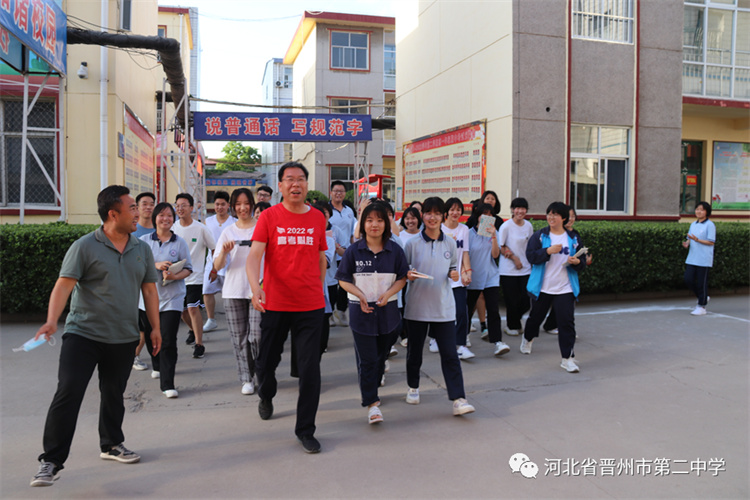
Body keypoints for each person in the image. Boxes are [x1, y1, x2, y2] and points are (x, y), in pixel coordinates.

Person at [30, 185, 162, 487]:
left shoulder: (141, 248)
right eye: (132, 207)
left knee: (114, 393)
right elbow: (64, 285)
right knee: (69, 391)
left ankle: (112, 444)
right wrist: (51, 321)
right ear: (113, 214)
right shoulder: (85, 246)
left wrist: (155, 328)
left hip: (124, 335)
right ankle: (51, 460)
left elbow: (149, 290)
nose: (138, 212)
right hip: (84, 334)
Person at [246, 161, 328, 454]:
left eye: (301, 179)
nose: (296, 184)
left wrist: (318, 287)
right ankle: (266, 394)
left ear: (307, 184)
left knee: (310, 369)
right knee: (266, 362)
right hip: (276, 304)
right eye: (290, 179)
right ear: (280, 185)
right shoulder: (269, 216)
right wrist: (256, 288)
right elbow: (254, 256)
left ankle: (305, 429)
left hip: (310, 306)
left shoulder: (317, 217)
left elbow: (320, 256)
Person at [336, 201, 408, 424]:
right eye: (369, 220)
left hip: (388, 314)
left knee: (379, 358)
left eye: (379, 220)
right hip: (361, 313)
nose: (374, 224)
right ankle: (372, 404)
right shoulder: (353, 251)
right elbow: (343, 279)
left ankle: (373, 387)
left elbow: (402, 278)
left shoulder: (395, 250)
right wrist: (359, 294)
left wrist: (388, 294)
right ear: (363, 224)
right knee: (367, 360)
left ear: (386, 223)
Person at [403, 197, 475, 416]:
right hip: (417, 307)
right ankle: (413, 387)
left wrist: (455, 273)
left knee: (450, 354)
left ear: (443, 216)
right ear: (422, 215)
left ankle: (458, 398)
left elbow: (453, 266)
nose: (432, 217)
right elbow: (403, 272)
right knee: (415, 352)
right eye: (428, 213)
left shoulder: (450, 243)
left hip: (443, 307)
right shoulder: (412, 244)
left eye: (437, 213)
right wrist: (408, 275)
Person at [520, 202, 587, 373]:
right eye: (549, 214)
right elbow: (530, 256)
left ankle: (567, 358)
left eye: (555, 214)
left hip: (565, 288)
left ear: (563, 218)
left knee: (566, 323)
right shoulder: (540, 236)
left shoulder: (573, 238)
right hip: (543, 287)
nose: (551, 217)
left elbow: (582, 261)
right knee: (536, 318)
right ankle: (528, 338)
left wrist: (577, 261)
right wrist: (547, 251)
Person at [138, 202, 193, 398]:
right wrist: (156, 265)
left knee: (168, 339)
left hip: (173, 298)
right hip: (147, 298)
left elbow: (188, 268)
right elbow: (137, 265)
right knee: (150, 335)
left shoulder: (180, 242)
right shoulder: (143, 241)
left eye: (169, 215)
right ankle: (157, 365)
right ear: (155, 218)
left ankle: (168, 384)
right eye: (162, 215)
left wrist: (174, 275)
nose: (166, 219)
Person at [213, 188, 260, 395]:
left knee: (257, 336)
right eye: (238, 204)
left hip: (258, 290)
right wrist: (224, 252)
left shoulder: (262, 229)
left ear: (252, 204)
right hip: (233, 290)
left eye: (246, 203)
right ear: (233, 207)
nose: (243, 208)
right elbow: (217, 265)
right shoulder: (228, 232)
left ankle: (261, 372)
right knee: (239, 338)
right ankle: (246, 378)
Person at [172, 193, 216, 358]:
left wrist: (214, 268)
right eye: (177, 205)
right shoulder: (173, 228)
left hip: (195, 275)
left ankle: (199, 344)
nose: (180, 208)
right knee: (183, 312)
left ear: (191, 208)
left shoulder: (201, 228)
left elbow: (214, 248)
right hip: (177, 277)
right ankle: (193, 330)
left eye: (183, 205)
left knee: (192, 308)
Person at [466, 203, 511, 357]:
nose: (487, 217)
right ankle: (463, 336)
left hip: (491, 277)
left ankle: (498, 342)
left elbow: (495, 255)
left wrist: (493, 237)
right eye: (484, 214)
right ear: (477, 216)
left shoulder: (494, 232)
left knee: (493, 310)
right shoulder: (469, 234)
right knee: (468, 309)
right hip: (473, 277)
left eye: (490, 215)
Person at [542, 206, 592, 334]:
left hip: (569, 275)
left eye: (573, 216)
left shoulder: (575, 234)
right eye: (569, 216)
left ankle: (561, 328)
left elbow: (580, 252)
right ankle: (548, 326)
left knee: (566, 305)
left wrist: (582, 260)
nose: (571, 219)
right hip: (550, 277)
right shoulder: (550, 233)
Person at [440, 197, 474, 360]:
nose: (455, 212)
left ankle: (461, 345)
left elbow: (464, 253)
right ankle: (436, 338)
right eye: (452, 209)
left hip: (457, 278)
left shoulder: (464, 229)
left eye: (458, 209)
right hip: (440, 278)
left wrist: (467, 272)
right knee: (439, 312)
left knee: (461, 312)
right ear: (446, 212)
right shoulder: (439, 229)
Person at [499, 197, 533, 337]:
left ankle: (515, 321)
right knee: (512, 300)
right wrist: (514, 258)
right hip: (508, 270)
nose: (520, 211)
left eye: (523, 208)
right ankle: (512, 326)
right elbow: (501, 247)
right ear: (512, 210)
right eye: (517, 208)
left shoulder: (528, 226)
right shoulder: (506, 226)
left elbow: (530, 246)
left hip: (526, 269)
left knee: (526, 300)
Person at [203, 191, 236, 333]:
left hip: (229, 264)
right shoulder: (208, 222)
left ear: (228, 205)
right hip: (211, 263)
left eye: (223, 204)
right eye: (217, 204)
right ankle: (211, 320)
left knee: (230, 294)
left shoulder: (234, 222)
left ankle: (233, 320)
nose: (220, 207)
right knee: (207, 291)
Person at [132, 191, 156, 371]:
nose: (148, 207)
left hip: (156, 285)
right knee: (140, 326)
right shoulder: (132, 230)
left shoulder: (160, 229)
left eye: (151, 204)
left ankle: (158, 362)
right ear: (137, 207)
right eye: (144, 204)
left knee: (151, 325)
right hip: (134, 284)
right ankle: (133, 356)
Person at [329, 180, 356, 326]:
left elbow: (352, 233)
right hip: (331, 253)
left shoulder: (349, 211)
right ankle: (329, 312)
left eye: (341, 191)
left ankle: (340, 311)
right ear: (331, 192)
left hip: (346, 253)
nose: (338, 193)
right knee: (332, 284)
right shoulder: (326, 210)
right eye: (336, 191)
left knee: (346, 282)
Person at [683, 201, 716, 316]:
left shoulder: (710, 225)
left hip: (704, 259)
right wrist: (687, 243)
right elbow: (689, 238)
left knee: (702, 283)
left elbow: (711, 242)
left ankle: (701, 306)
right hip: (692, 257)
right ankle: (703, 297)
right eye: (697, 209)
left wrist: (697, 240)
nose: (699, 212)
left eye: (702, 210)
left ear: (707, 212)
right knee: (688, 279)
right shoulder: (693, 224)